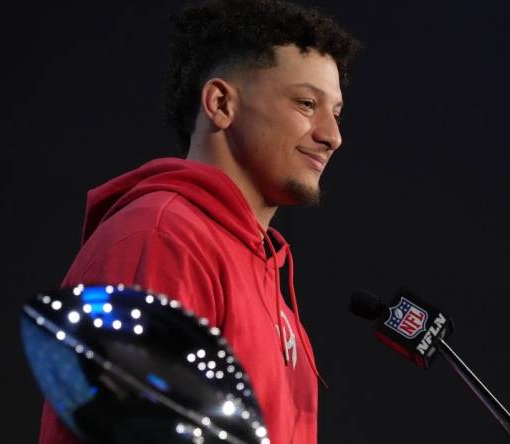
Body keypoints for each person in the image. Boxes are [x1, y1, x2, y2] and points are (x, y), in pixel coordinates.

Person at [37, 0, 360, 443]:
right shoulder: (160, 240)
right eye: (306, 104)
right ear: (220, 103)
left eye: (337, 113)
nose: (332, 136)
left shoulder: (262, 274)